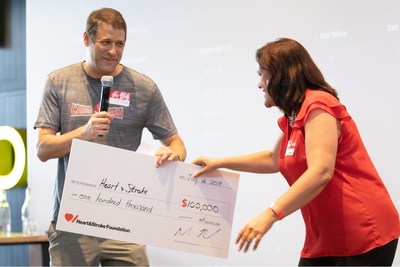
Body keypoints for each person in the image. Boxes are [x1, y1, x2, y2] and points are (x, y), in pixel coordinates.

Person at [192, 38, 400, 266]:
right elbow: (273, 160)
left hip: (362, 230)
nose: (259, 84)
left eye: (262, 74)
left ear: (282, 76)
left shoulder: (319, 105)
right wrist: (219, 162)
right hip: (326, 236)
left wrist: (270, 215)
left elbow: (321, 172)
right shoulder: (294, 116)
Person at [34, 7, 186, 266]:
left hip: (125, 220)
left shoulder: (143, 87)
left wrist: (172, 154)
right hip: (72, 221)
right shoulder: (59, 81)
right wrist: (84, 133)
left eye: (120, 44)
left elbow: (177, 143)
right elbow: (43, 149)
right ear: (86, 39)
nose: (113, 51)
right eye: (105, 42)